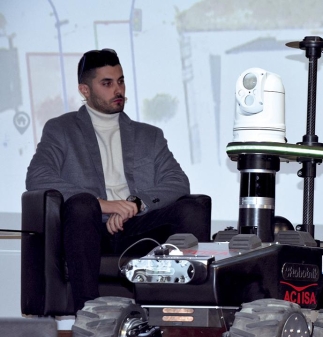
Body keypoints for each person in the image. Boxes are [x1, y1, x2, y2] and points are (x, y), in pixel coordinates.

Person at [26, 48, 209, 311]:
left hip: (135, 228)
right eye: (107, 83)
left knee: (194, 207)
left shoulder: (149, 135)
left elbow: (177, 181)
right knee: (81, 206)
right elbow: (37, 177)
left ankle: (181, 317)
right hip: (89, 229)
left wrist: (134, 204)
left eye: (121, 81)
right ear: (85, 90)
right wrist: (106, 205)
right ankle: (89, 315)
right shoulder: (61, 129)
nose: (118, 90)